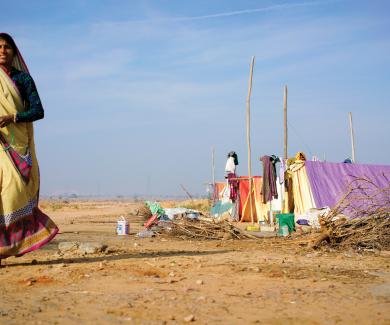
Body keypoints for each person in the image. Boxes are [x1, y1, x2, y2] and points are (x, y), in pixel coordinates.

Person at [0, 33, 58, 266]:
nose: (3, 50)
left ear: (14, 52)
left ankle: (8, 245)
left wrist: (12, 117)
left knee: (11, 193)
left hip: (14, 143)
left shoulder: (22, 80)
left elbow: (38, 111)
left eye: (7, 47)